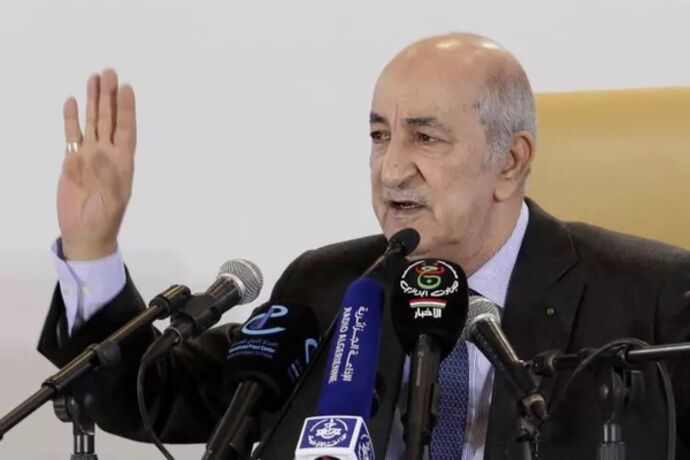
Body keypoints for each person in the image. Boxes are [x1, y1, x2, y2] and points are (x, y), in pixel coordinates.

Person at [38, 33, 690, 459]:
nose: (391, 168)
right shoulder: (331, 287)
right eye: (380, 136)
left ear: (511, 162)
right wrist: (92, 247)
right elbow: (153, 395)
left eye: (425, 139)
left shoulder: (651, 298)